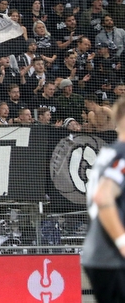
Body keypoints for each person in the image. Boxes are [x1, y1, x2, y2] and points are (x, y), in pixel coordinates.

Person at [81, 97, 125, 302]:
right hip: (112, 257)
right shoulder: (122, 154)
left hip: (99, 254)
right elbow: (104, 197)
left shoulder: (107, 154)